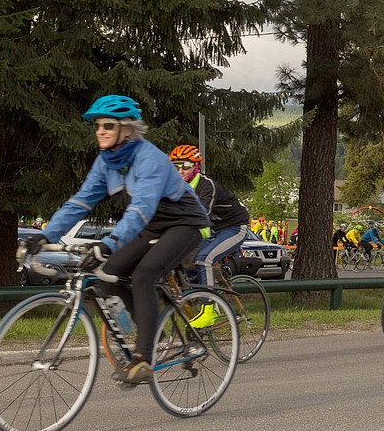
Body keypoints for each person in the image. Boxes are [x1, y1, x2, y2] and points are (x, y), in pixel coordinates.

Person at [17, 95, 211, 385]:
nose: (100, 131)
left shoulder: (150, 159)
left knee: (144, 275)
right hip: (149, 226)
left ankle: (144, 357)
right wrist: (46, 234)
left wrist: (108, 243)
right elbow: (80, 203)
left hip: (183, 223)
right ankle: (150, 328)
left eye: (108, 125)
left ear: (128, 129)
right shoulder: (107, 162)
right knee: (107, 274)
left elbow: (140, 209)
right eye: (97, 126)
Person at [168, 144, 251, 328]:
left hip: (234, 228)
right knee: (182, 261)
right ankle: (210, 293)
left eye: (185, 166)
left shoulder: (206, 186)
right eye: (175, 166)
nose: (180, 170)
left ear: (196, 167)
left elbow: (198, 217)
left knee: (203, 259)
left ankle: (209, 309)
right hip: (213, 230)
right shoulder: (175, 187)